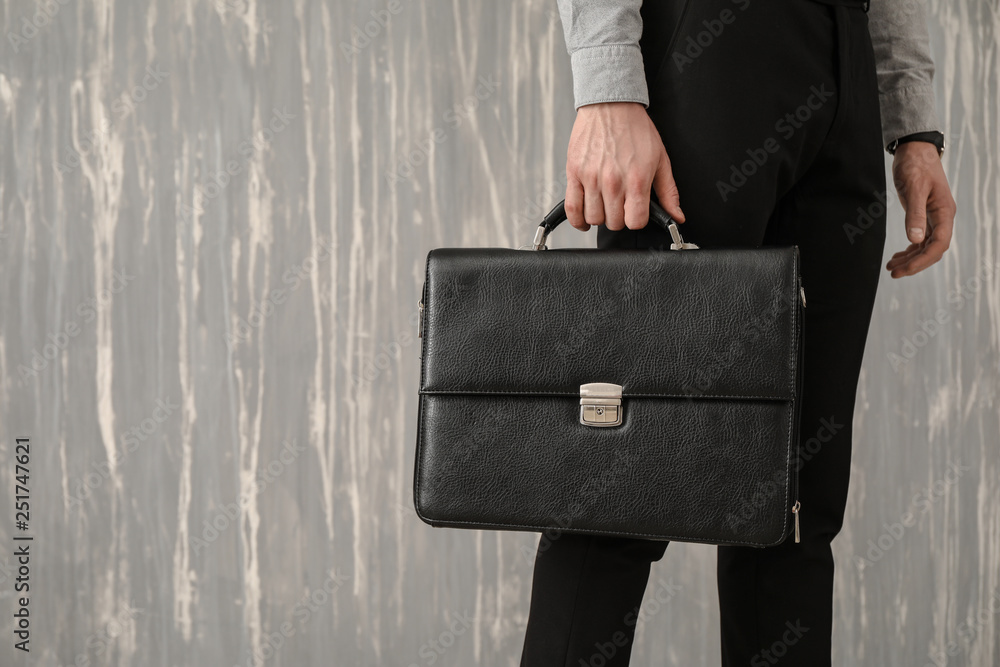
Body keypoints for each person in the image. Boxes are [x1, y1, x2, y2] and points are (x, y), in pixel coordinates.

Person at [519, 1, 957, 665]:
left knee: (796, 508)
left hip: (849, 64)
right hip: (710, 52)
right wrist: (605, 80)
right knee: (617, 487)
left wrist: (913, 122)